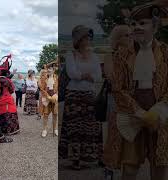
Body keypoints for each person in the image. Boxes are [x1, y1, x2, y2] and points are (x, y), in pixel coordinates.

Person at [109, 3, 168, 180]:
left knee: (160, 165)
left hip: (161, 115)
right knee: (130, 166)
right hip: (131, 114)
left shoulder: (166, 53)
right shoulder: (122, 55)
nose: (137, 28)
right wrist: (138, 111)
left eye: (143, 23)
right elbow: (118, 89)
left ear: (155, 27)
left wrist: (159, 109)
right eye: (134, 24)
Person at [59, 25, 103, 170]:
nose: (88, 40)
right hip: (74, 96)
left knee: (91, 127)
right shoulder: (70, 55)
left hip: (89, 95)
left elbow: (98, 76)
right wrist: (85, 76)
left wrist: (84, 76)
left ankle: (94, 157)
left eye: (89, 37)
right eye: (85, 37)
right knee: (74, 128)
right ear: (79, 39)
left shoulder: (95, 56)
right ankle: (75, 160)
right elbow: (72, 73)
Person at [103, 25, 133, 170]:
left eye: (131, 35)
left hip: (132, 99)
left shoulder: (134, 54)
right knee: (114, 133)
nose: (130, 38)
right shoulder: (111, 55)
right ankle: (110, 168)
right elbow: (111, 78)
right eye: (126, 35)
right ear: (118, 38)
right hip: (115, 98)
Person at [0, 54, 20, 135]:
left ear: (0, 71)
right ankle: (9, 130)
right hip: (7, 98)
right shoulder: (8, 81)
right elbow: (12, 90)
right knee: (8, 113)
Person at [39, 65, 58, 138]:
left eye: (50, 69)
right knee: (45, 114)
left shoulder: (57, 78)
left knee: (55, 114)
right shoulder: (44, 78)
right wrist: (48, 96)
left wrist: (56, 95)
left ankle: (55, 129)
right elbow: (42, 88)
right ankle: (44, 129)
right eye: (48, 69)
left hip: (55, 98)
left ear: (53, 70)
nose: (49, 70)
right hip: (47, 98)